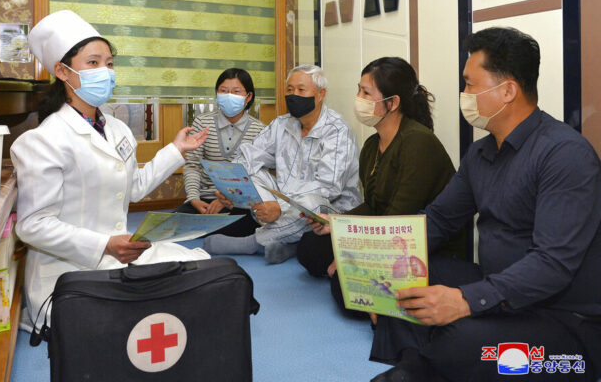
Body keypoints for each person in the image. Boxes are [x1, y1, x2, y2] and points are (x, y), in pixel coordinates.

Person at [370, 27, 601, 382]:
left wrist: (465, 301)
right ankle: (415, 364)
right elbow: (438, 219)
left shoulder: (565, 155)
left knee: (461, 343)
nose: (464, 95)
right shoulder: (480, 153)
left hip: (566, 321)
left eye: (470, 84)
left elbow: (553, 264)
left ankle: (421, 363)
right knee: (403, 281)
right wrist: (375, 258)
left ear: (507, 91)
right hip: (499, 286)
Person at [10, 10, 209, 325]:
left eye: (110, 63)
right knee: (142, 313)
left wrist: (176, 150)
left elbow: (136, 188)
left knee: (199, 267)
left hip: (123, 250)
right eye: (93, 63)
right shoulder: (42, 141)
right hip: (71, 268)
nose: (105, 71)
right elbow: (33, 225)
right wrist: (103, 244)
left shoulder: (117, 129)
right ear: (62, 71)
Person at [296, 57, 460, 316]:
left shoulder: (418, 143)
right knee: (308, 247)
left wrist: (349, 251)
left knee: (345, 289)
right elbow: (373, 206)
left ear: (393, 103)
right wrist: (335, 223)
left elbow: (397, 220)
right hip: (384, 233)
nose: (358, 98)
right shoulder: (373, 145)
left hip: (419, 246)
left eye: (366, 92)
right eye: (358, 89)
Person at [202, 64, 362, 263]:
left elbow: (329, 188)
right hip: (285, 204)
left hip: (331, 210)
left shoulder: (338, 131)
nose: (293, 95)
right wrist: (230, 187)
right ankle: (288, 243)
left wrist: (280, 206)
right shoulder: (281, 124)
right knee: (252, 175)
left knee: (312, 202)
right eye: (289, 89)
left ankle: (254, 242)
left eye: (301, 90)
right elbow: (249, 156)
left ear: (321, 94)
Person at [174, 68, 266, 237]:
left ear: (249, 97)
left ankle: (211, 231)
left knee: (252, 222)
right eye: (224, 91)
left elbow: (255, 176)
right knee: (172, 223)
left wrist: (225, 199)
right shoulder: (203, 122)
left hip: (239, 204)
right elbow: (192, 165)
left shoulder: (260, 130)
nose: (229, 95)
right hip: (204, 200)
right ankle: (212, 230)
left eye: (236, 91)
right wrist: (194, 199)